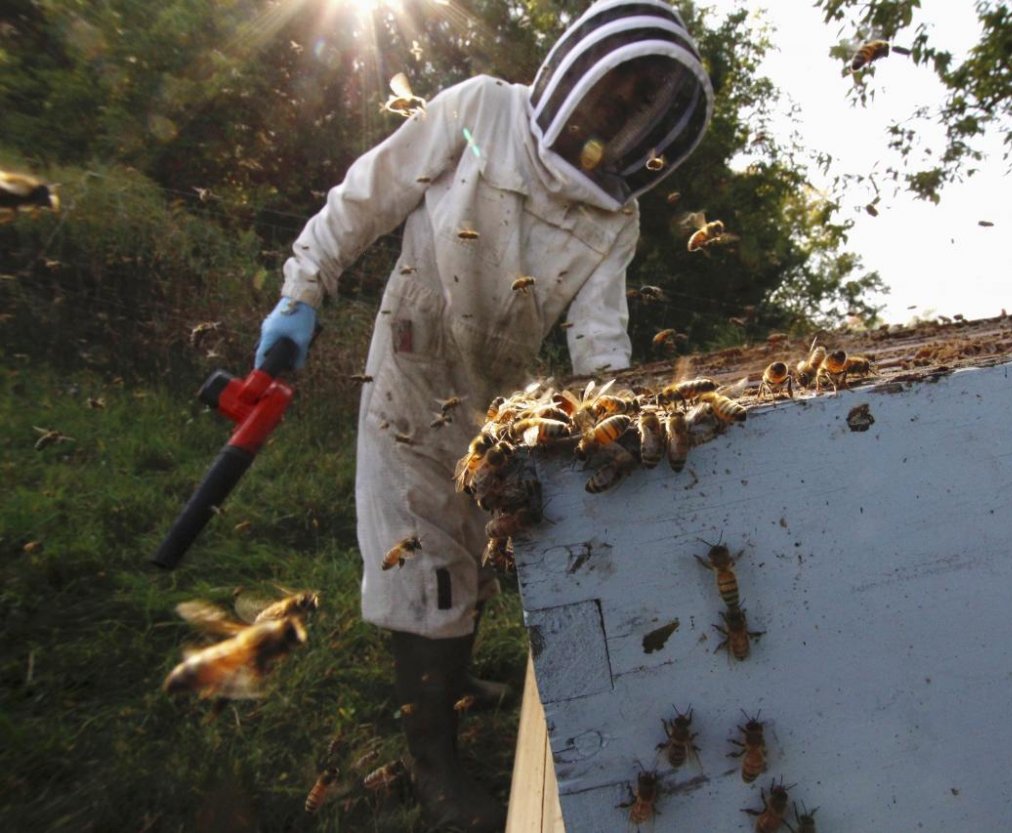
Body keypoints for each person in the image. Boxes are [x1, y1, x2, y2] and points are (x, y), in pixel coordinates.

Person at [253, 1, 713, 829]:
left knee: (470, 550)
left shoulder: (615, 214)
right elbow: (370, 193)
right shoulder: (478, 111)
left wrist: (606, 417)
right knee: (421, 559)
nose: (615, 113)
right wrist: (302, 289)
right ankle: (432, 759)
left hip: (497, 399)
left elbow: (600, 334)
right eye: (615, 90)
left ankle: (453, 678)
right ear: (579, 68)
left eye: (638, 101)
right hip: (409, 372)